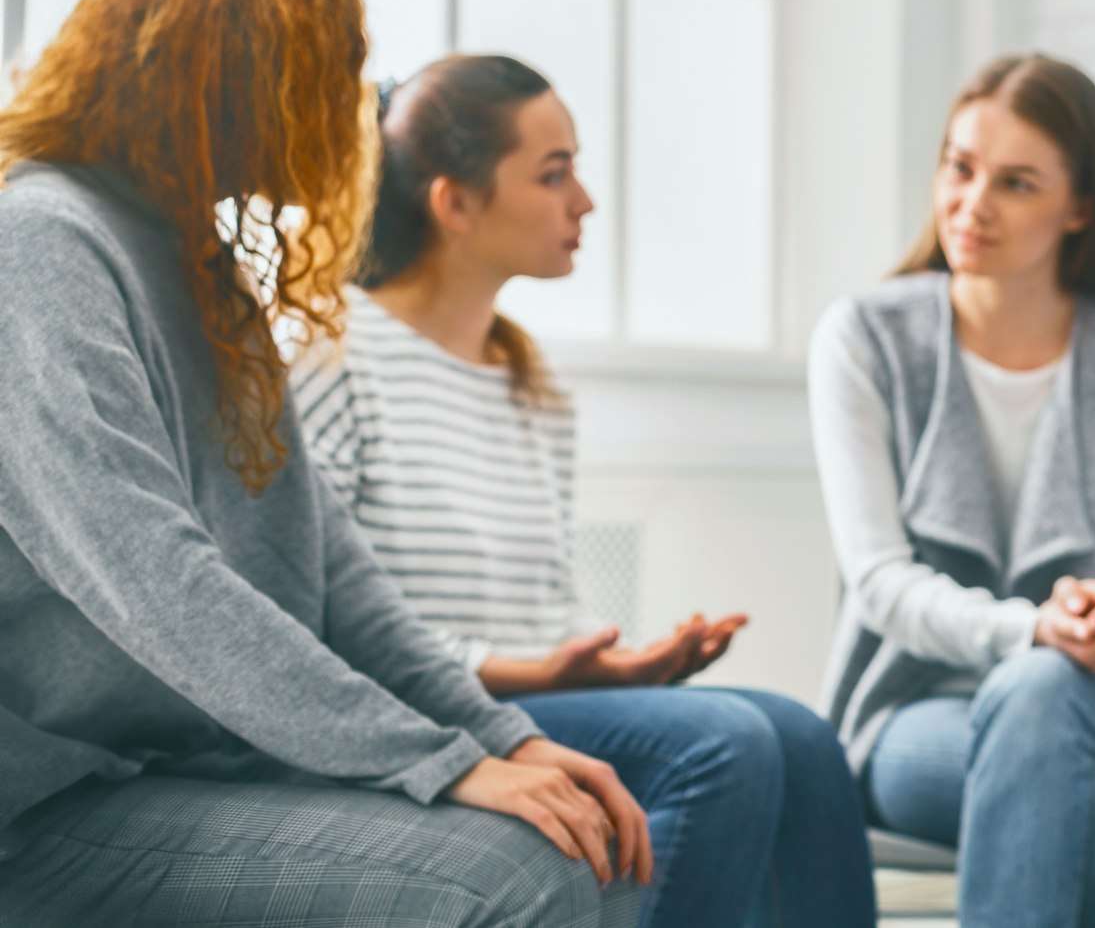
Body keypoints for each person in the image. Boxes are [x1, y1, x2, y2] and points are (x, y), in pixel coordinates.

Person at [0, 0, 646, 925]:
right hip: (47, 810)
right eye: (319, 85)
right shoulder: (40, 246)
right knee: (511, 871)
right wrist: (436, 763)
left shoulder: (209, 274)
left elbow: (337, 572)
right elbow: (158, 584)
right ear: (226, 86)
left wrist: (503, 738)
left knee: (582, 836)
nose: (341, 126)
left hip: (175, 771)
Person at [291, 53, 876, 928]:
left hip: (538, 692)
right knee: (728, 743)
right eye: (553, 173)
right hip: (427, 703)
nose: (585, 202)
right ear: (454, 202)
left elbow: (551, 603)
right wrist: (538, 669)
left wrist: (618, 661)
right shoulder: (335, 355)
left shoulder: (532, 383)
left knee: (802, 734)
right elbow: (328, 614)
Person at [811, 52, 1095, 926]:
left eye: (1016, 183)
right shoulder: (864, 337)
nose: (972, 203)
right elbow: (878, 581)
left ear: (1080, 209)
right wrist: (1030, 630)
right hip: (917, 706)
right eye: (960, 166)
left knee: (1049, 692)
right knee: (1089, 791)